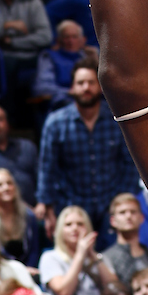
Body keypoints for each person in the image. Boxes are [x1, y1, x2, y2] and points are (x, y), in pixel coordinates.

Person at [35, 58, 138, 235]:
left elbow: (130, 163)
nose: (86, 88)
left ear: (100, 86)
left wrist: (122, 200)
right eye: (80, 83)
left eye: (91, 82)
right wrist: (48, 206)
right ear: (72, 88)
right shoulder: (55, 123)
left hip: (112, 206)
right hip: (71, 208)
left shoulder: (117, 120)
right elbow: (47, 169)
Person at [39, 204, 118, 295]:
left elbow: (115, 290)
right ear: (60, 230)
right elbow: (64, 292)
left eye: (80, 224)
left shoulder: (99, 258)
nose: (74, 228)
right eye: (68, 225)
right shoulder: (50, 258)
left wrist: (93, 257)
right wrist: (80, 255)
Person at [102, 192, 148, 294]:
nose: (128, 216)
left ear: (142, 218)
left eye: (133, 212)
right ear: (112, 221)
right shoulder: (105, 259)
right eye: (122, 212)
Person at [0, 105, 39, 208]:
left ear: (7, 123)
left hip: (37, 210)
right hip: (1, 213)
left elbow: (42, 178)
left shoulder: (27, 147)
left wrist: (43, 203)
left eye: (0, 119)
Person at [0, 169, 41, 270]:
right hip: (0, 271)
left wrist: (28, 269)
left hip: (29, 271)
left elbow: (35, 250)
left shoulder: (28, 216)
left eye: (9, 183)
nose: (6, 188)